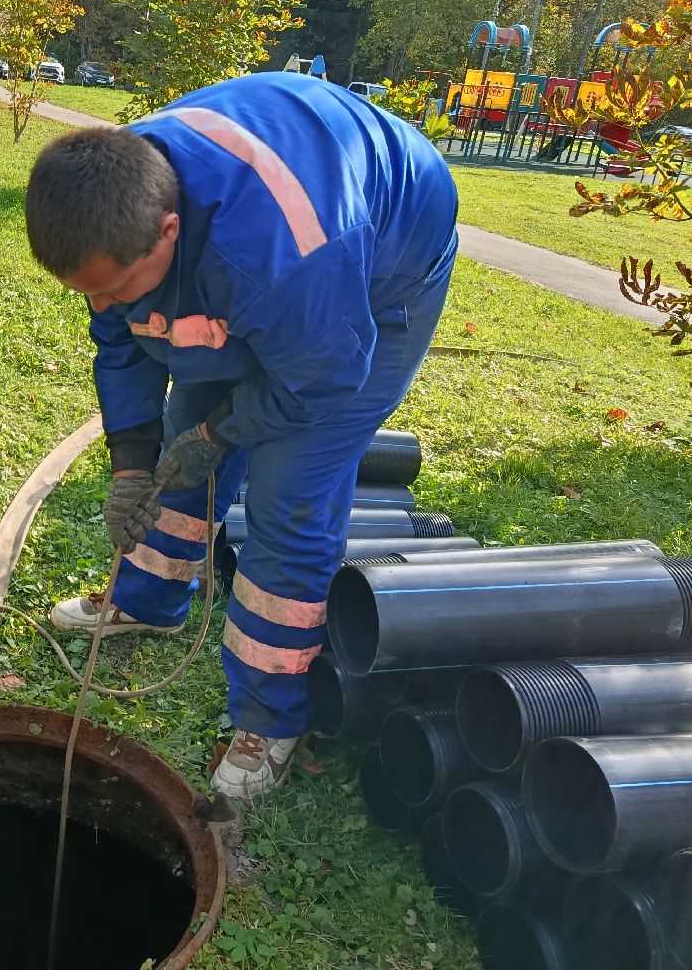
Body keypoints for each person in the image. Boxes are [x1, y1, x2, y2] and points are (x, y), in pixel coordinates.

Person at [23, 72, 458, 799]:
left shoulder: (283, 254)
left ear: (169, 231)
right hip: (267, 257)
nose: (100, 305)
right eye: (84, 291)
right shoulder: (122, 204)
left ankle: (270, 714)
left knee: (291, 497)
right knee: (177, 437)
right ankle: (151, 603)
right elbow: (123, 341)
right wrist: (133, 465)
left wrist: (224, 429)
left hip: (380, 275)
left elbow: (320, 377)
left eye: (116, 286)